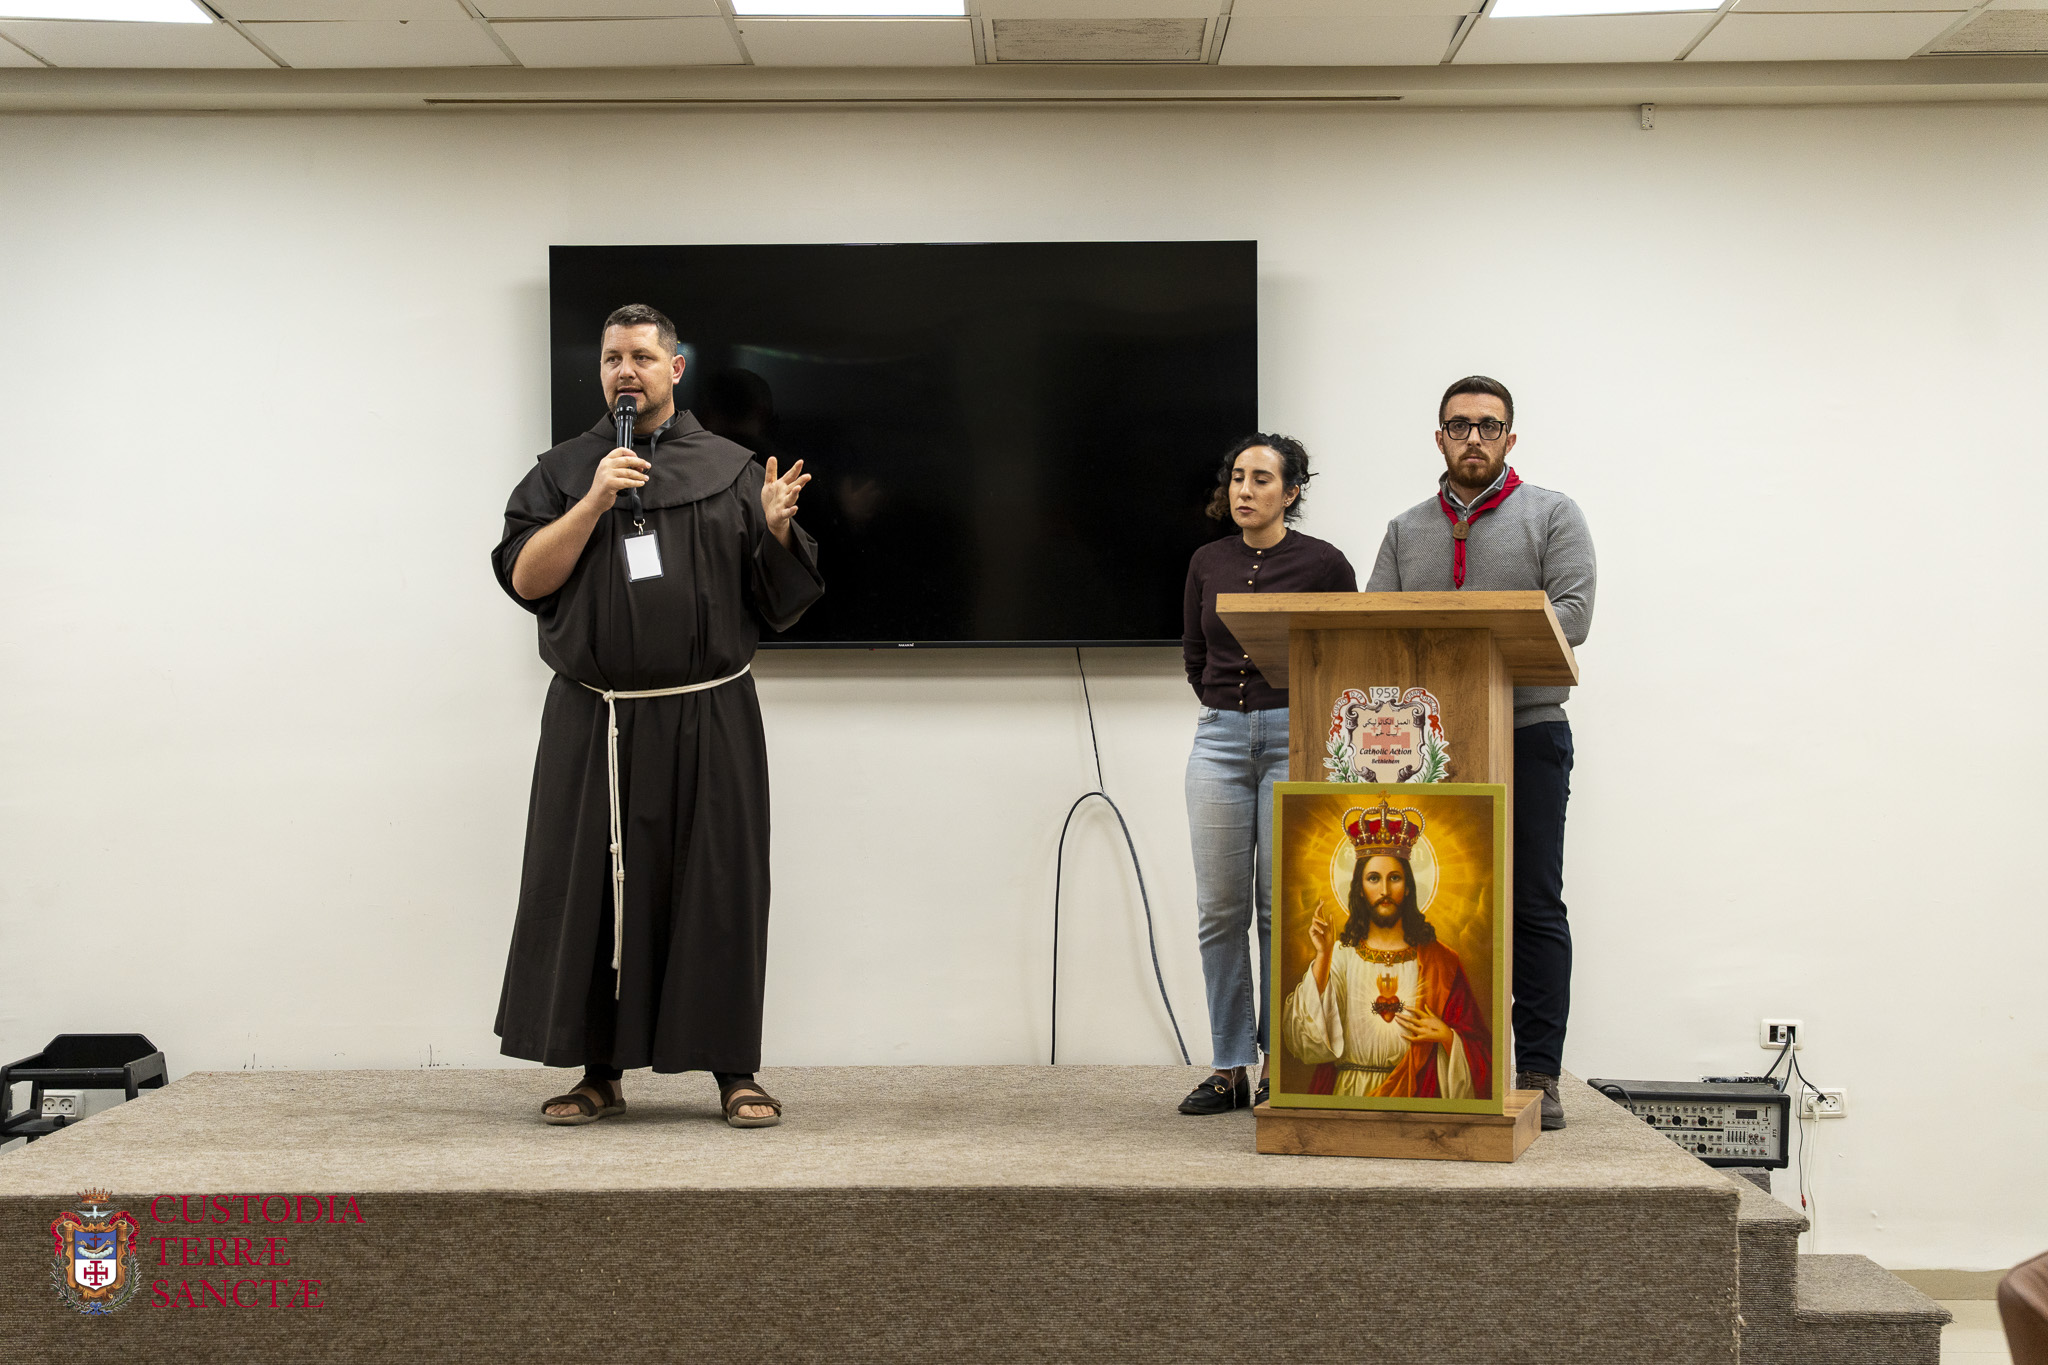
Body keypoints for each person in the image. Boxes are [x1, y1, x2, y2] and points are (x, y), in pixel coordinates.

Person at [490, 303, 823, 1128]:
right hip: (595, 721)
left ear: (675, 368)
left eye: (641, 356)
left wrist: (776, 530)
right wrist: (593, 500)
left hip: (711, 712)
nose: (625, 371)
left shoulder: (733, 471)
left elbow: (779, 603)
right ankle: (599, 1072)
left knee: (717, 886)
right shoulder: (564, 472)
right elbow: (527, 579)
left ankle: (734, 1071)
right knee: (595, 890)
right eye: (612, 358)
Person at [1364, 375, 1594, 1129]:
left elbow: (1572, 616)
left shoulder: (1552, 514)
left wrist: (1460, 628)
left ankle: (1539, 1072)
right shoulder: (1405, 529)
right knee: (1435, 903)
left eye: (1488, 426)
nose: (1473, 438)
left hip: (1528, 732)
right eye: (1459, 425)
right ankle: (1430, 1061)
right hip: (1431, 744)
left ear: (1509, 439)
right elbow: (1374, 623)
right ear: (1439, 438)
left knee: (1532, 903)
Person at [1178, 435, 1357, 1115]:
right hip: (1219, 739)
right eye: (1236, 478)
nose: (1244, 490)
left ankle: (1284, 1061)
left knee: (1281, 909)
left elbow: (1346, 655)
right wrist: (1223, 706)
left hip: (1295, 738)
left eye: (1260, 479)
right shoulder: (1207, 561)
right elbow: (1196, 656)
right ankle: (1230, 1065)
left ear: (1292, 491)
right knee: (1218, 910)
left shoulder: (1325, 563)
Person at [1280, 799, 1492, 1100]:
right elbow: (1306, 1041)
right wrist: (1323, 957)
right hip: (1349, 1092)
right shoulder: (1340, 955)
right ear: (1359, 888)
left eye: (1394, 878)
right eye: (1373, 878)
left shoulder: (1440, 962)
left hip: (1417, 1092)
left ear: (1408, 886)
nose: (1384, 891)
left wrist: (1447, 1037)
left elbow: (1482, 1053)